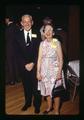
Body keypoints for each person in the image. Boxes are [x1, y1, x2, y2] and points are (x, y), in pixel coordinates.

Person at [15, 14, 42, 114]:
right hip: (24, 66)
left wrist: (33, 63)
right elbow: (16, 52)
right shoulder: (17, 35)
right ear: (21, 23)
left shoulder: (37, 34)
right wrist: (25, 64)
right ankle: (27, 103)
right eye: (24, 21)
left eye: (28, 21)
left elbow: (40, 51)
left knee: (36, 87)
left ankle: (37, 105)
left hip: (35, 65)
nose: (27, 23)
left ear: (32, 22)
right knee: (26, 86)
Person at [37, 24, 66, 115]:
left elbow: (61, 59)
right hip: (44, 71)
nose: (48, 32)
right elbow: (39, 59)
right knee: (47, 91)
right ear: (44, 32)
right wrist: (38, 72)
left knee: (56, 92)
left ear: (53, 32)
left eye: (50, 30)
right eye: (46, 30)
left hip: (54, 70)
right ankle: (49, 107)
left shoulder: (56, 42)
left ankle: (56, 110)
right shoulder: (42, 44)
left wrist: (59, 73)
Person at [5, 16, 20, 85]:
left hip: (9, 48)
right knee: (16, 64)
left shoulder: (7, 28)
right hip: (16, 49)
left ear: (8, 19)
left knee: (10, 64)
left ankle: (12, 80)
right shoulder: (17, 27)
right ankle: (18, 79)